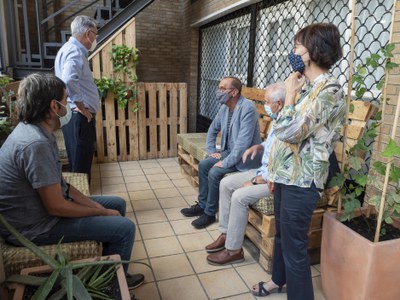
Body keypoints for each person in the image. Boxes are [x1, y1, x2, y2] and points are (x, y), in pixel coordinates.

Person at [0, 73, 144, 289]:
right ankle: (110, 285)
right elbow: (56, 207)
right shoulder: (34, 144)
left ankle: (108, 264)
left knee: (117, 204)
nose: (69, 105)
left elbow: (62, 186)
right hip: (36, 227)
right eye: (66, 99)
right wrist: (100, 212)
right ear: (53, 106)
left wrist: (96, 206)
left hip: (41, 211)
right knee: (124, 228)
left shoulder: (39, 132)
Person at [251, 23, 345, 299]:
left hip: (302, 181)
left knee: (295, 250)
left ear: (314, 50)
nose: (292, 52)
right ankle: (277, 281)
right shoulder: (308, 87)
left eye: (297, 47)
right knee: (283, 238)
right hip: (285, 176)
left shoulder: (329, 89)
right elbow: (283, 130)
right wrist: (273, 173)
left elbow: (290, 131)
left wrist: (290, 94)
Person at [206, 82, 285, 265]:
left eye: (266, 101)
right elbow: (272, 146)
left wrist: (259, 180)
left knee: (239, 196)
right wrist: (260, 146)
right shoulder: (278, 120)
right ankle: (226, 234)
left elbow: (284, 161)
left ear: (279, 104)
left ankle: (233, 250)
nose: (264, 106)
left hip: (273, 179)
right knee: (225, 184)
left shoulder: (289, 125)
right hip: (262, 171)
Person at [181, 76, 261, 229]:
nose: (218, 91)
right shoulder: (225, 108)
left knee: (214, 172)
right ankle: (203, 205)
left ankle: (210, 213)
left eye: (223, 88)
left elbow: (242, 146)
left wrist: (225, 162)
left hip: (245, 159)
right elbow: (212, 130)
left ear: (234, 92)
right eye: (219, 87)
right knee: (205, 164)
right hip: (229, 152)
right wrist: (211, 151)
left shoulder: (248, 109)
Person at [55, 15, 100, 181]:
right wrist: (81, 107)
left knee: (77, 163)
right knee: (80, 167)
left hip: (74, 117)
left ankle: (80, 201)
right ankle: (83, 203)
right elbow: (68, 79)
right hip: (79, 117)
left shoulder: (67, 49)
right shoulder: (75, 51)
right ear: (88, 33)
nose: (95, 38)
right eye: (95, 34)